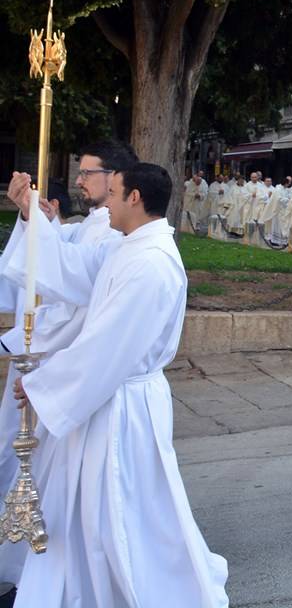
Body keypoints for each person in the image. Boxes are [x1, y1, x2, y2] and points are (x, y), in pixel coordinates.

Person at [4, 162, 229, 606]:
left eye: (114, 194)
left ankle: (140, 591)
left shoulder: (151, 263)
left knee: (122, 511)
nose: (104, 204)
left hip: (123, 402)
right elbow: (69, 268)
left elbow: (108, 346)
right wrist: (31, 212)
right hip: (106, 396)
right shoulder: (128, 248)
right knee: (93, 508)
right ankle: (77, 587)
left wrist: (42, 384)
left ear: (135, 198)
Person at [0, 142, 138, 584]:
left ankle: (43, 567)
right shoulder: (98, 223)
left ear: (117, 178)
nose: (79, 181)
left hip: (66, 363)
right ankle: (28, 564)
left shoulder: (117, 232)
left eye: (88, 173)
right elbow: (65, 253)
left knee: (46, 469)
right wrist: (36, 220)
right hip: (54, 357)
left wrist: (36, 225)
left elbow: (72, 277)